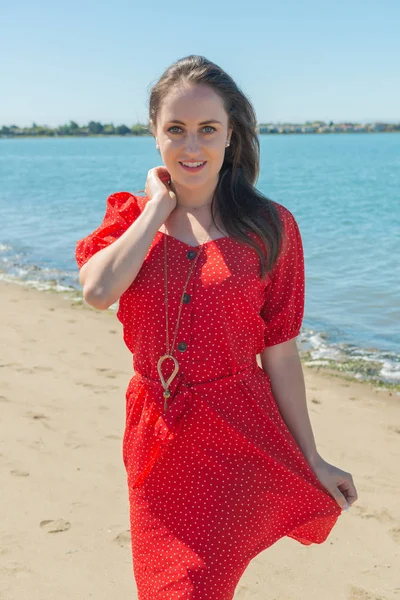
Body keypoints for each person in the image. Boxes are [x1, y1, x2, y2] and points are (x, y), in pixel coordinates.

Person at [75, 54, 358, 599]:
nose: (192, 146)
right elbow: (98, 292)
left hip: (237, 435)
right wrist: (158, 210)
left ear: (231, 136)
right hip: (156, 440)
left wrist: (311, 455)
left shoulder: (270, 228)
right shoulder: (131, 218)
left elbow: (280, 352)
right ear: (155, 136)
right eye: (175, 130)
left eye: (208, 130)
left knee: (198, 589)